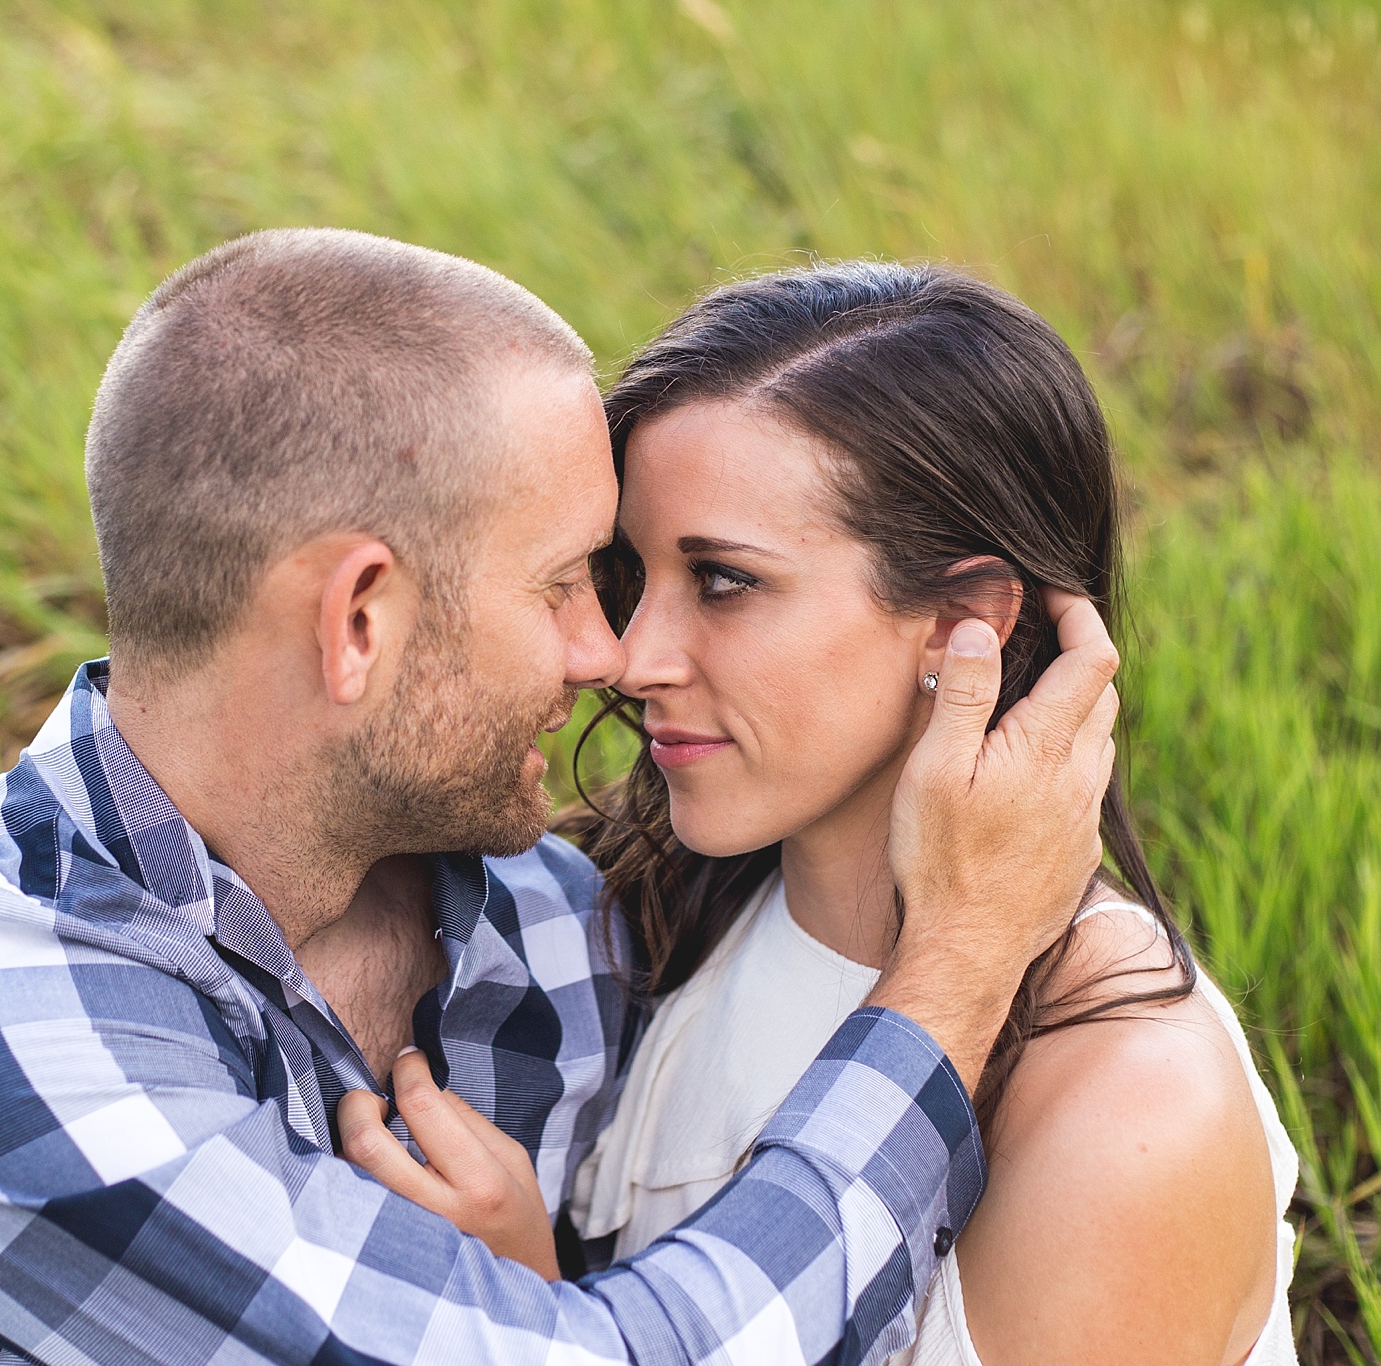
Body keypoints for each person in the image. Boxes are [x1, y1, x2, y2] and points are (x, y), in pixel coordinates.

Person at [0, 230, 1120, 1366]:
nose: (611, 657)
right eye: (566, 583)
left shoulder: (544, 919)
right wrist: (958, 960)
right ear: (359, 621)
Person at [556, 263, 1299, 1365]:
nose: (632, 655)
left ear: (960, 622)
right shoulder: (663, 898)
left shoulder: (1129, 1115)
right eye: (633, 574)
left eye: (721, 581)